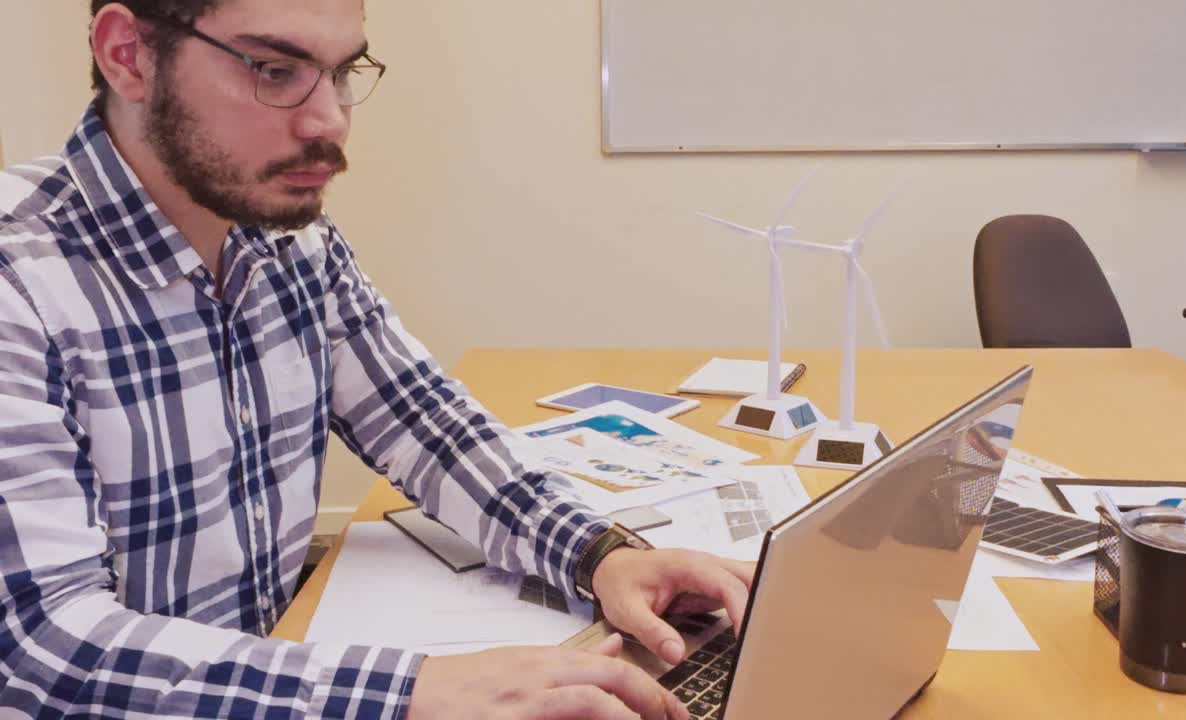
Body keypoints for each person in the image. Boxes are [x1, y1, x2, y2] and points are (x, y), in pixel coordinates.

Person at [0, 2, 753, 717]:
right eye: (273, 70)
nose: (329, 121)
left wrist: (598, 555)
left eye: (341, 73)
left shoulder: (289, 237)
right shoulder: (18, 281)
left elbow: (423, 421)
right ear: (128, 54)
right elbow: (46, 649)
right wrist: (411, 695)